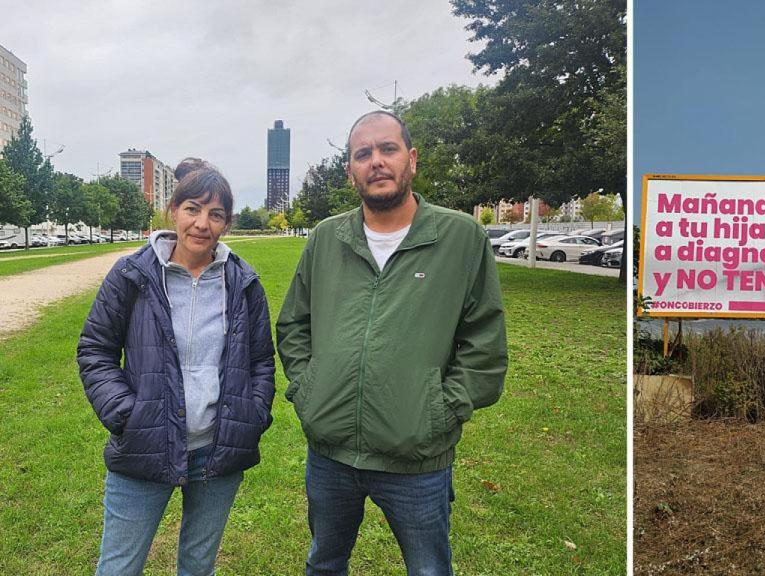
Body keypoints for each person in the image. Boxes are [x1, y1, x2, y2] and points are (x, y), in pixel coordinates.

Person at [276, 110, 507, 576]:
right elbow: (293, 326)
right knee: (323, 564)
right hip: (331, 454)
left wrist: (440, 410)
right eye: (363, 154)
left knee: (428, 570)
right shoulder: (325, 238)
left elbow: (484, 341)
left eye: (388, 149)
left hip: (417, 461)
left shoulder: (460, 237)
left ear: (412, 159)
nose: (376, 162)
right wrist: (309, 390)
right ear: (350, 171)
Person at [77, 158, 275, 576]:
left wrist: (252, 414)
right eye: (193, 208)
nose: (202, 223)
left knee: (198, 565)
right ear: (173, 211)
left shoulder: (244, 282)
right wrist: (127, 414)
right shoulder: (132, 274)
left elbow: (261, 360)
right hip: (145, 443)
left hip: (217, 451)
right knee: (118, 567)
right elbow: (95, 349)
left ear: (226, 223)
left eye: (215, 213)